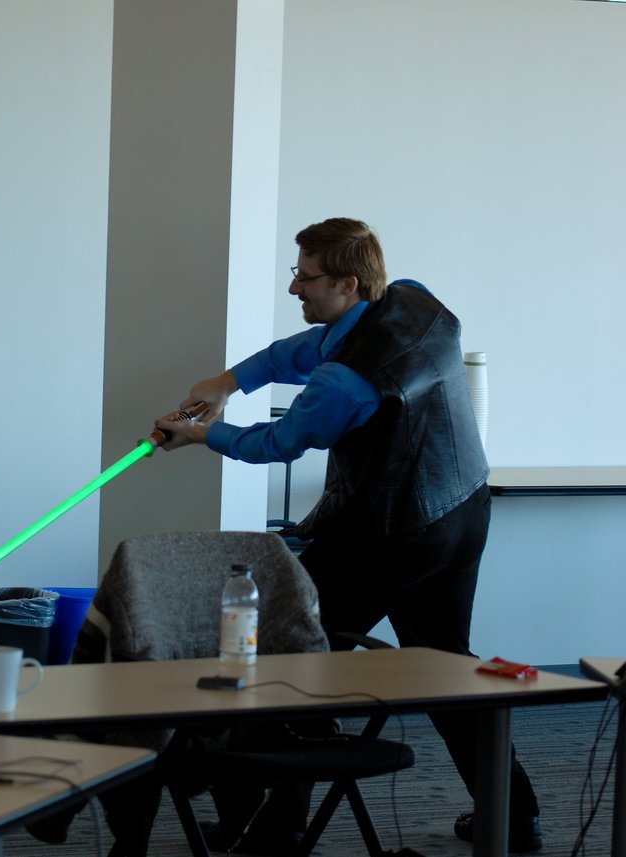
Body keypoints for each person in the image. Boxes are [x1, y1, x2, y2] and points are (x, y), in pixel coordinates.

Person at [152, 217, 542, 853]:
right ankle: (514, 813)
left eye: (305, 279)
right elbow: (309, 348)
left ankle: (276, 824)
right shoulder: (415, 302)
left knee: (295, 654)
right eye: (294, 274)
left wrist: (200, 434)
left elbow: (276, 443)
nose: (293, 290)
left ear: (348, 282)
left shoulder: (346, 382)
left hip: (394, 534)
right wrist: (228, 383)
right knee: (443, 660)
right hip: (463, 510)